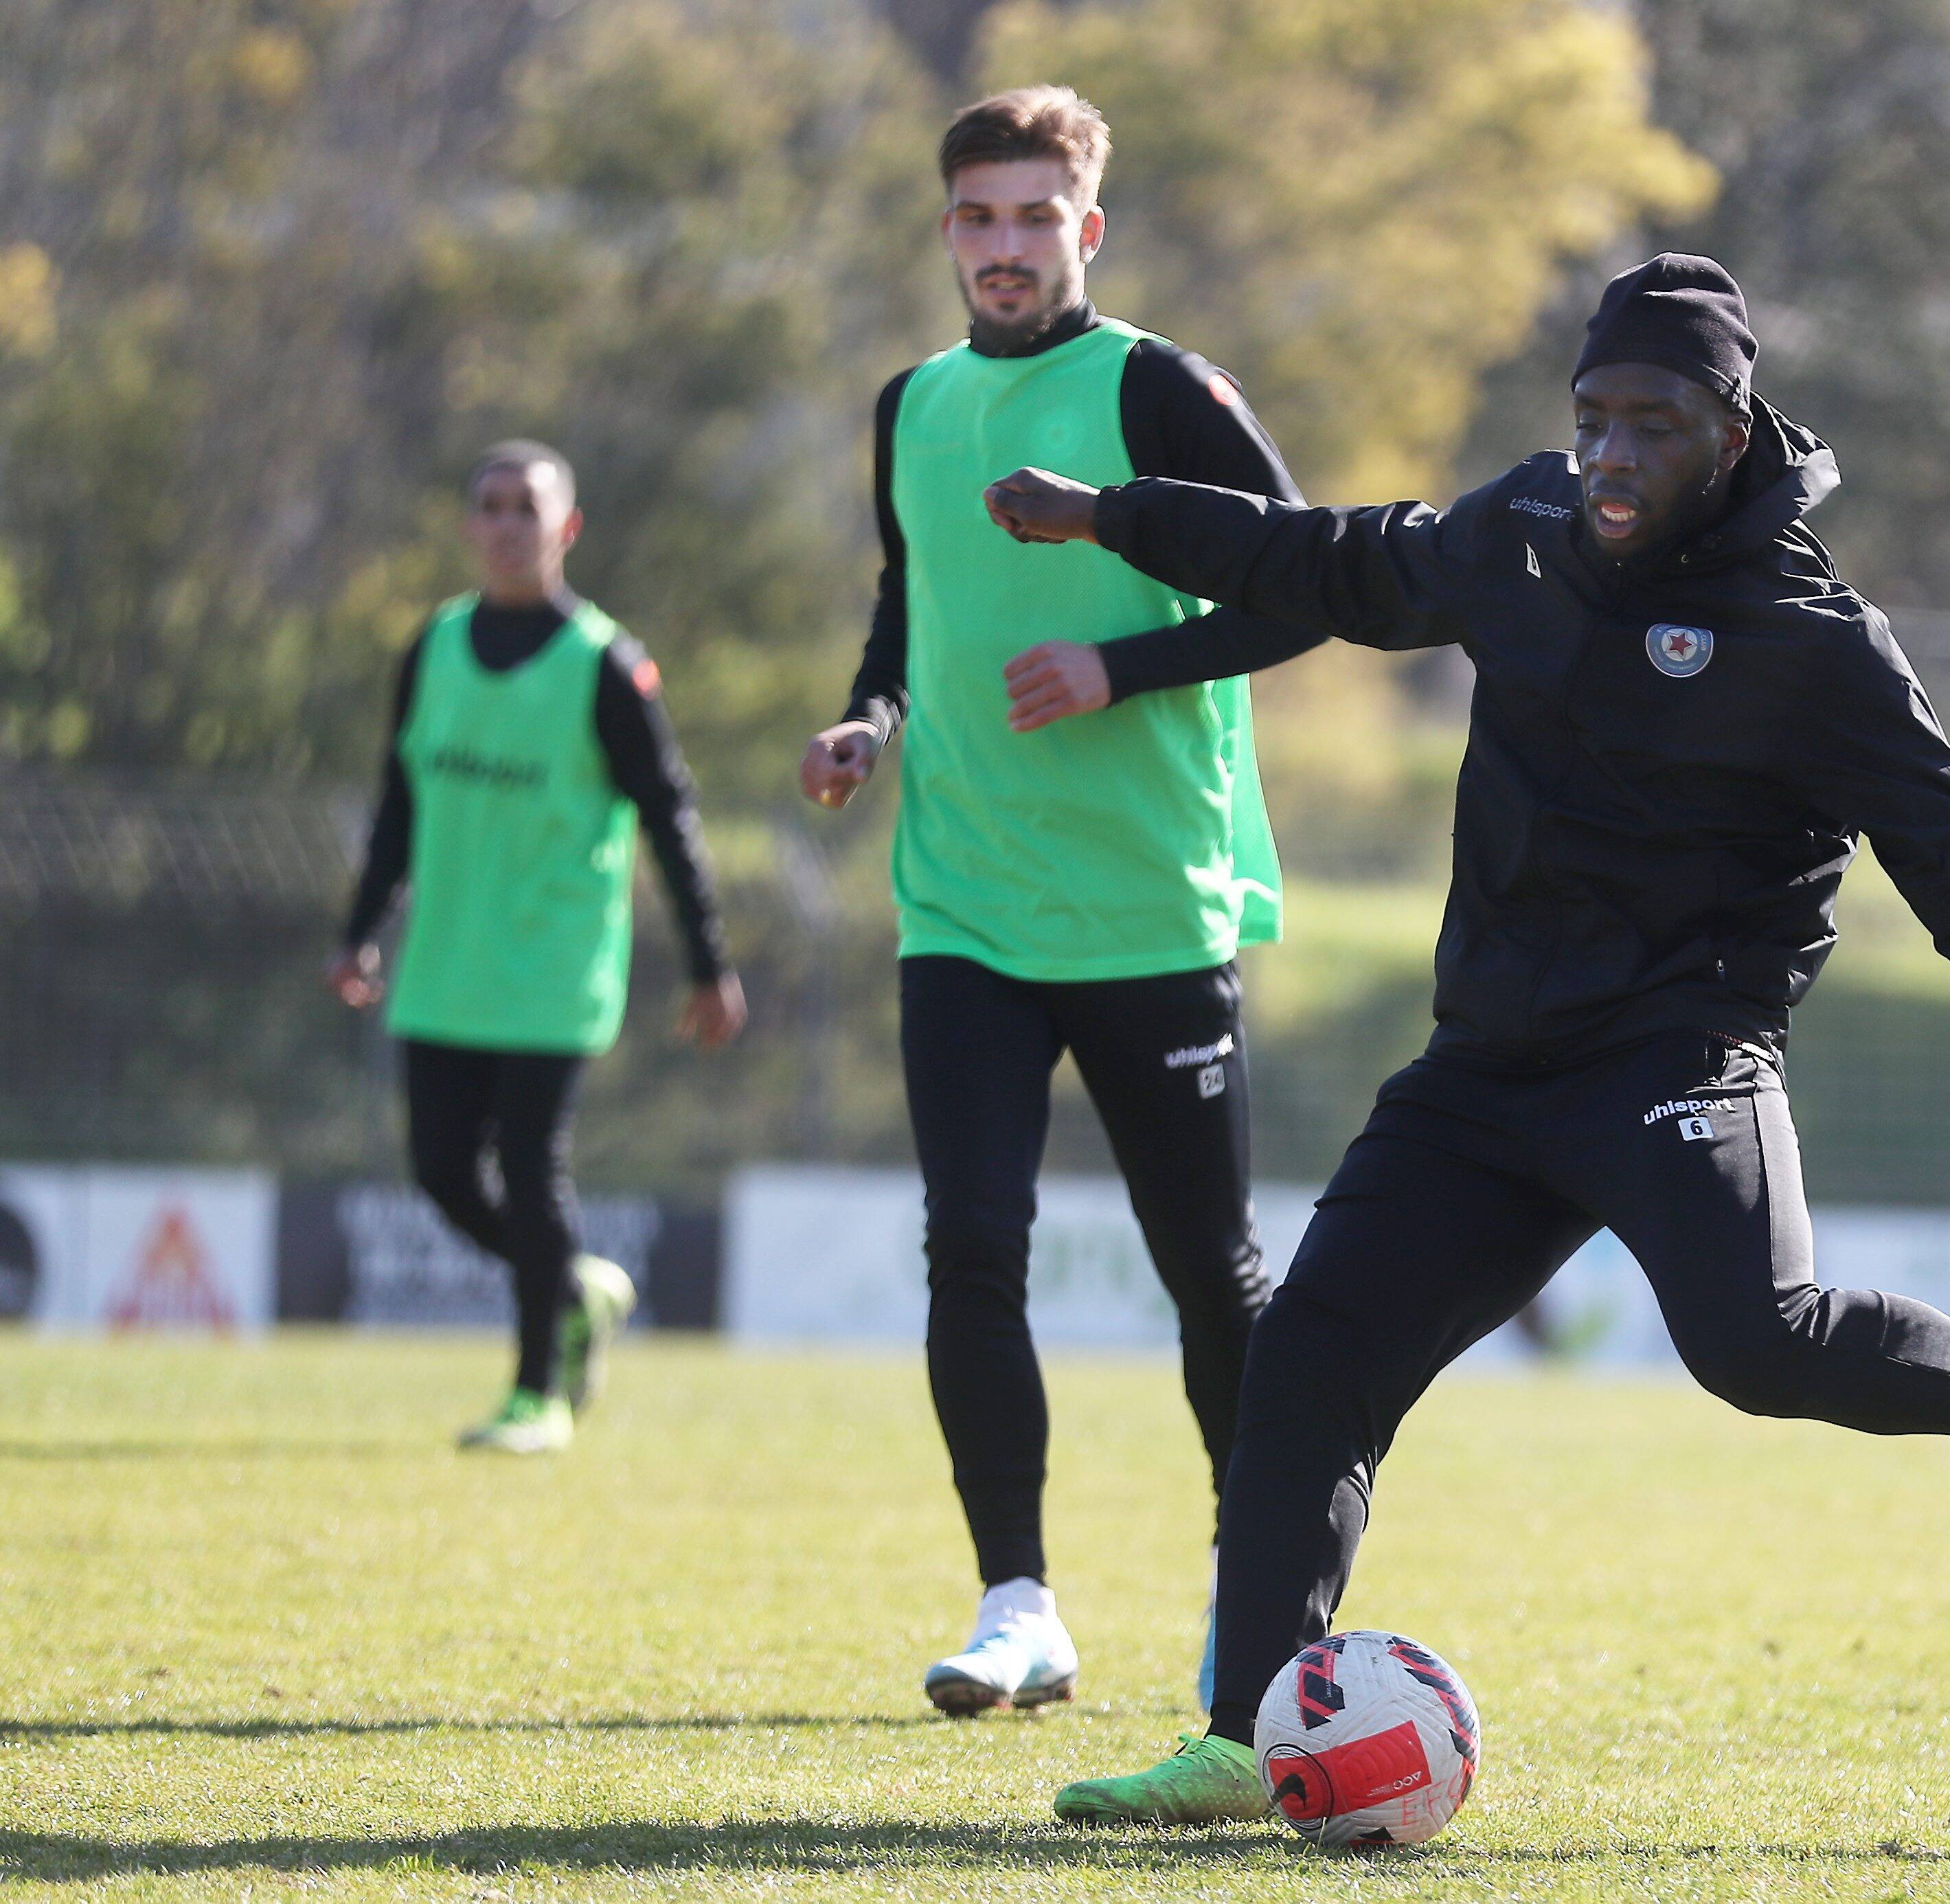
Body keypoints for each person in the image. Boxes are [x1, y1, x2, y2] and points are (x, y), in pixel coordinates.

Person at [978, 253, 1950, 1825]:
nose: (1614, 456)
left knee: (1759, 1347)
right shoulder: (1518, 535)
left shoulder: (1812, 644)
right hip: (1481, 1070)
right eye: (1596, 417)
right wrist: (1108, 514)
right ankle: (1242, 1735)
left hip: (1673, 1064)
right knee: (1306, 1362)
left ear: (1732, 435)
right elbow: (1329, 563)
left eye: (1655, 426)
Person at [794, 86, 1323, 1717]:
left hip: (1148, 910)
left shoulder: (1157, 392)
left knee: (1207, 1269)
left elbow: (1304, 583)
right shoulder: (911, 404)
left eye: (1034, 218)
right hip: (959, 905)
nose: (1003, 247)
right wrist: (872, 719)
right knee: (972, 1249)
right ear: (946, 232)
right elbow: (913, 596)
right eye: (976, 219)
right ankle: (1016, 1605)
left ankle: (1262, 1613)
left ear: (1085, 229)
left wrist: (1117, 665)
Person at [331, 440, 746, 1455]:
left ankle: (537, 1395)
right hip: (447, 960)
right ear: (470, 527)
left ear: (567, 530)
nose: (509, 523)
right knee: (437, 1172)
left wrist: (708, 961)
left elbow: (669, 814)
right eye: (491, 506)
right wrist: (359, 930)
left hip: (555, 964)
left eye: (529, 507)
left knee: (528, 1160)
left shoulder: (605, 664)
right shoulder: (432, 647)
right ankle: (573, 1285)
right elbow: (398, 801)